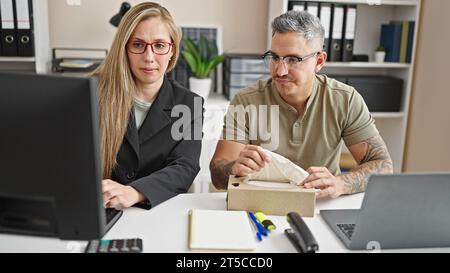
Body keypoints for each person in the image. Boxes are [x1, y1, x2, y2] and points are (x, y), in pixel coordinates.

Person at [210, 10, 393, 198]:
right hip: (261, 202)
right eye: (274, 57)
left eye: (293, 60)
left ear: (319, 60)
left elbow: (383, 165)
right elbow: (217, 175)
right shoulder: (246, 100)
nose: (280, 71)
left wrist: (341, 183)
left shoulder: (345, 99)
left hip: (320, 203)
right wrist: (234, 168)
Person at [93, 2, 203, 210]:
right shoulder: (93, 93)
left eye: (160, 45)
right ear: (124, 48)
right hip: (101, 210)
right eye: (138, 45)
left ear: (172, 50)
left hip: (156, 212)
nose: (149, 57)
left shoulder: (189, 104)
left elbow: (185, 166)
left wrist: (135, 192)